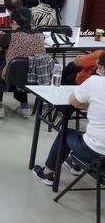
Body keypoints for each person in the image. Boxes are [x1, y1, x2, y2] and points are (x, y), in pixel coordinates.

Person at [32, 52, 105, 185]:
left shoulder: (95, 81)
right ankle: (74, 162)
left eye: (99, 66)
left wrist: (91, 104)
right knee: (85, 135)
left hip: (97, 154)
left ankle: (47, 173)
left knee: (66, 133)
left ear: (103, 68)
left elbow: (73, 101)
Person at [0, 7, 46, 118]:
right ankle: (24, 106)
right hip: (34, 77)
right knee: (24, 68)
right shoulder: (40, 36)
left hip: (12, 77)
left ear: (14, 22)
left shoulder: (11, 36)